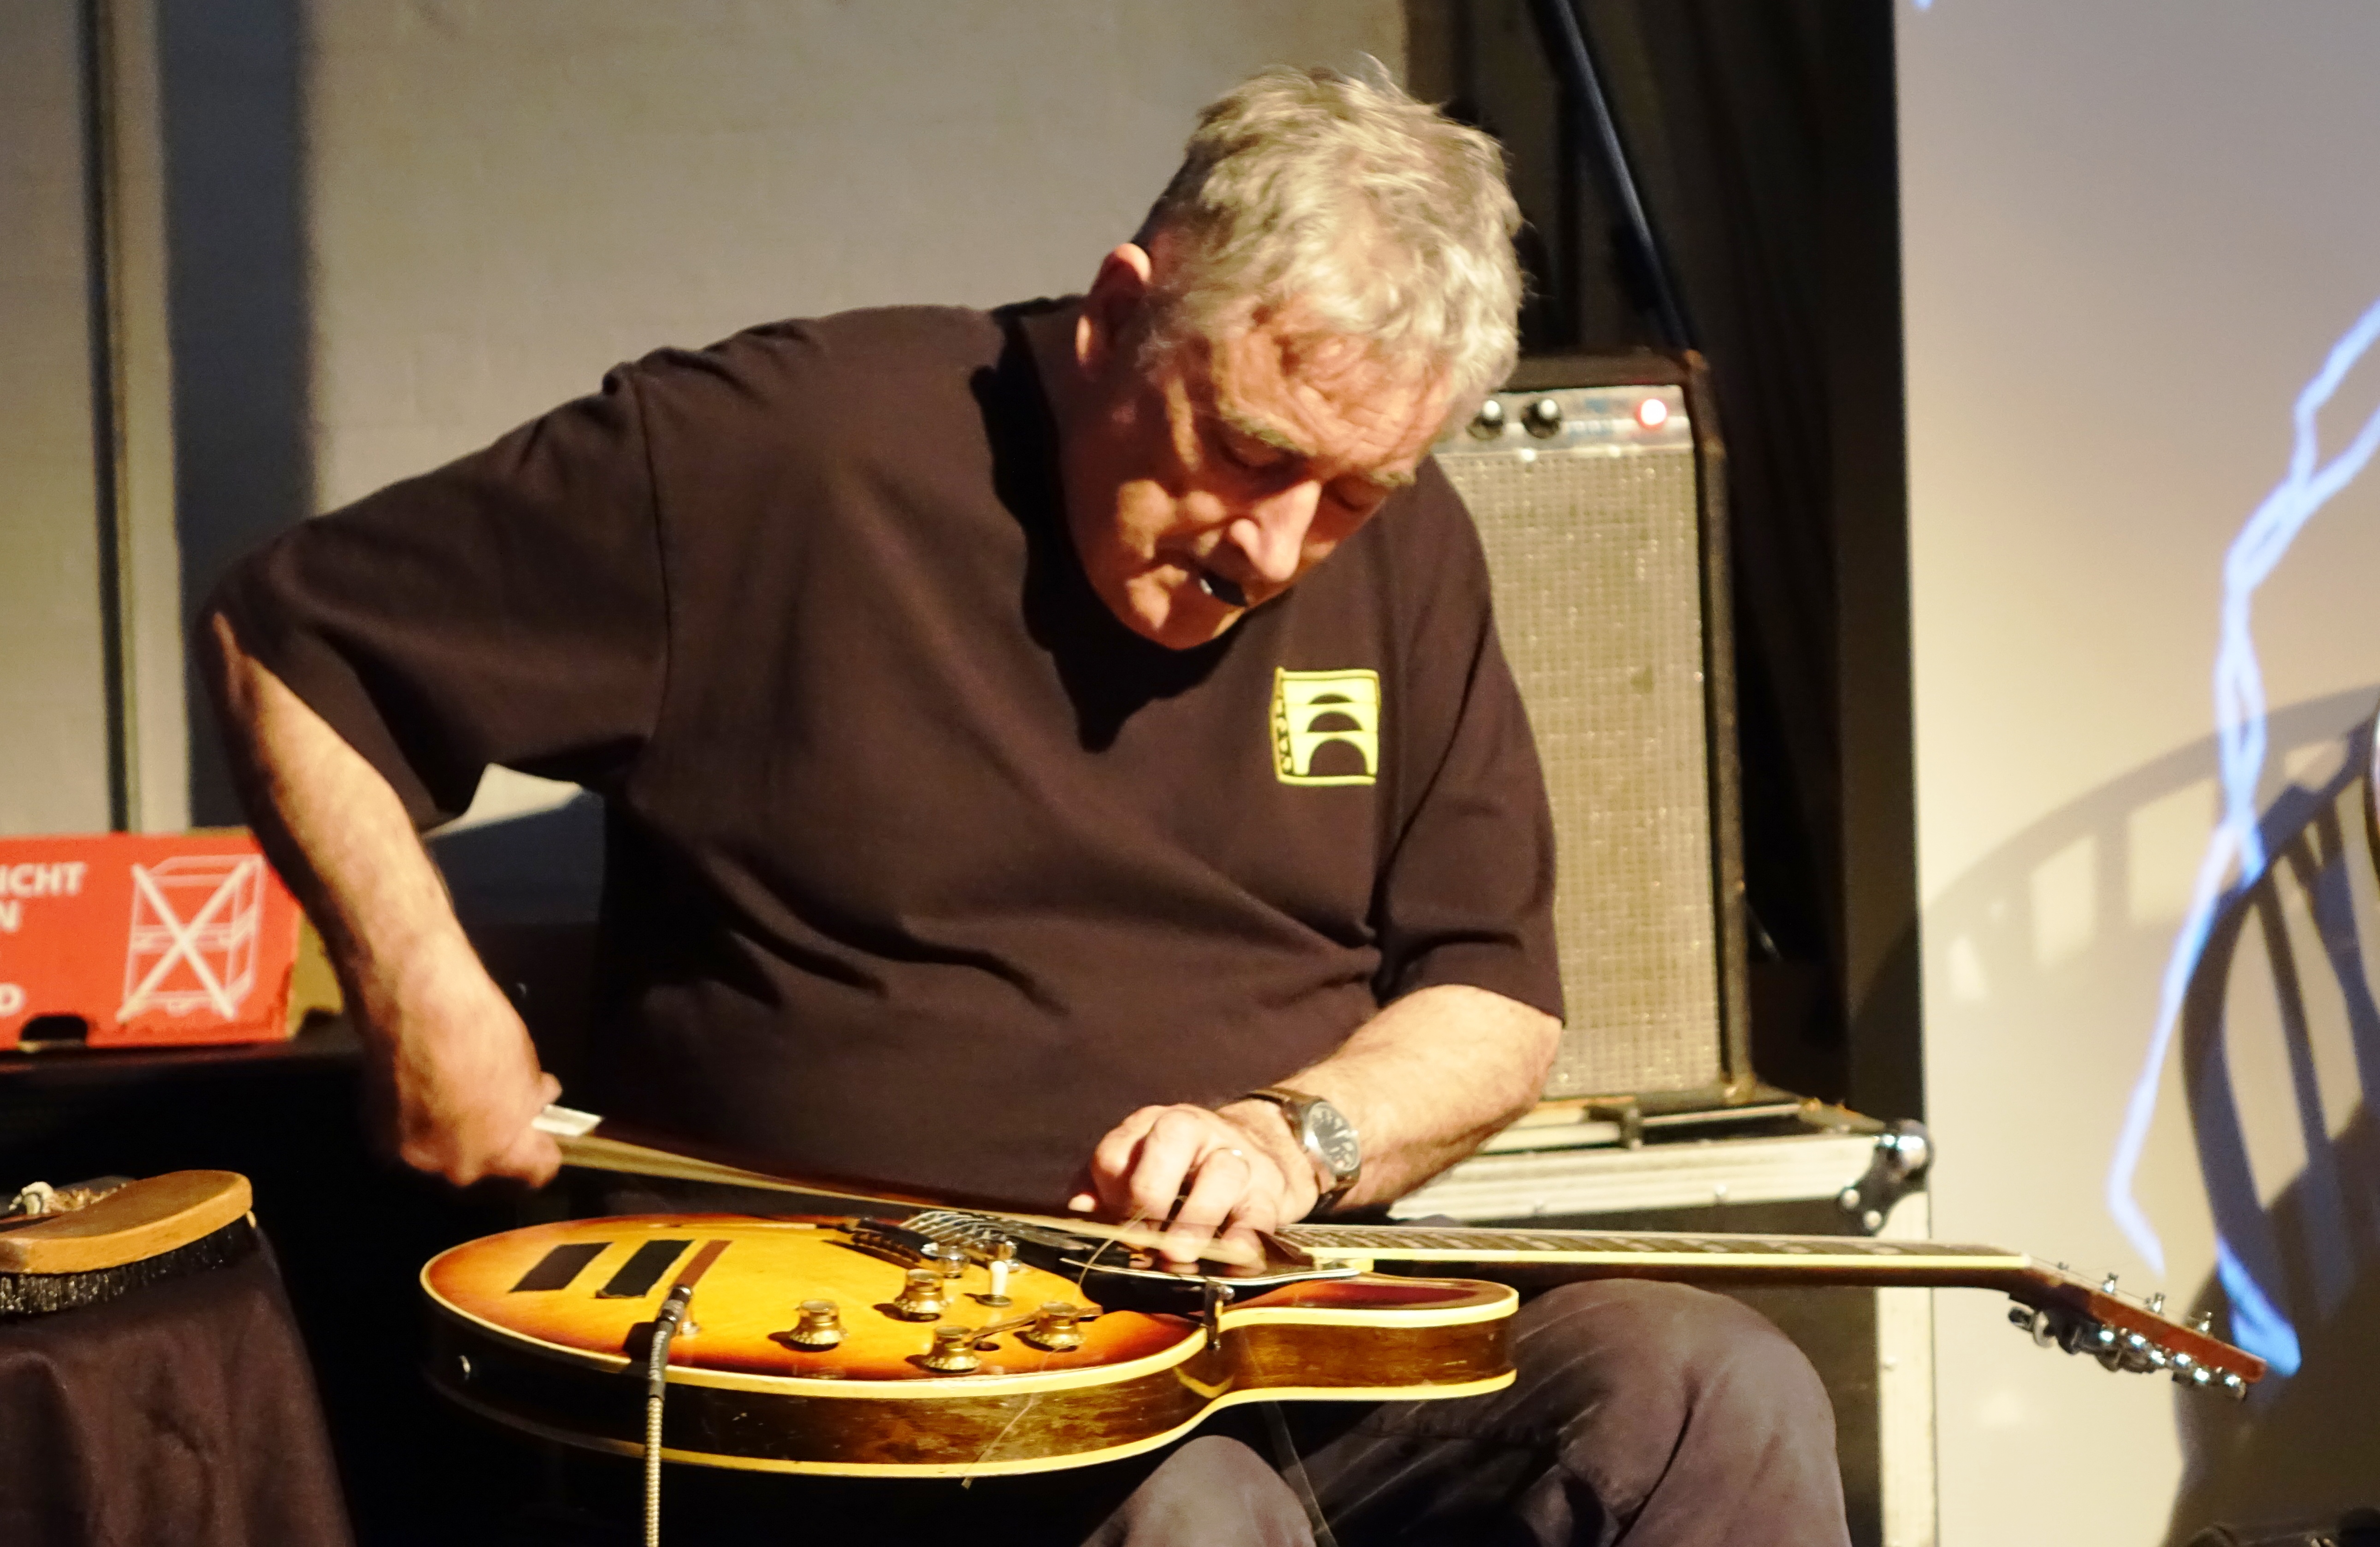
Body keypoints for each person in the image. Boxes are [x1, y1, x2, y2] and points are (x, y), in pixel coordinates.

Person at [202, 64, 1848, 1547]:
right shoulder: (772, 459)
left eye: (1352, 493)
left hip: (1274, 1329)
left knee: (1710, 1387)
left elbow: (1489, 995)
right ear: (1122, 311)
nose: (1273, 550)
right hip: (856, 1372)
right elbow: (295, 635)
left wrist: (1295, 1131)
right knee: (1187, 1520)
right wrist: (427, 996)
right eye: (1249, 452)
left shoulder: (1405, 550)